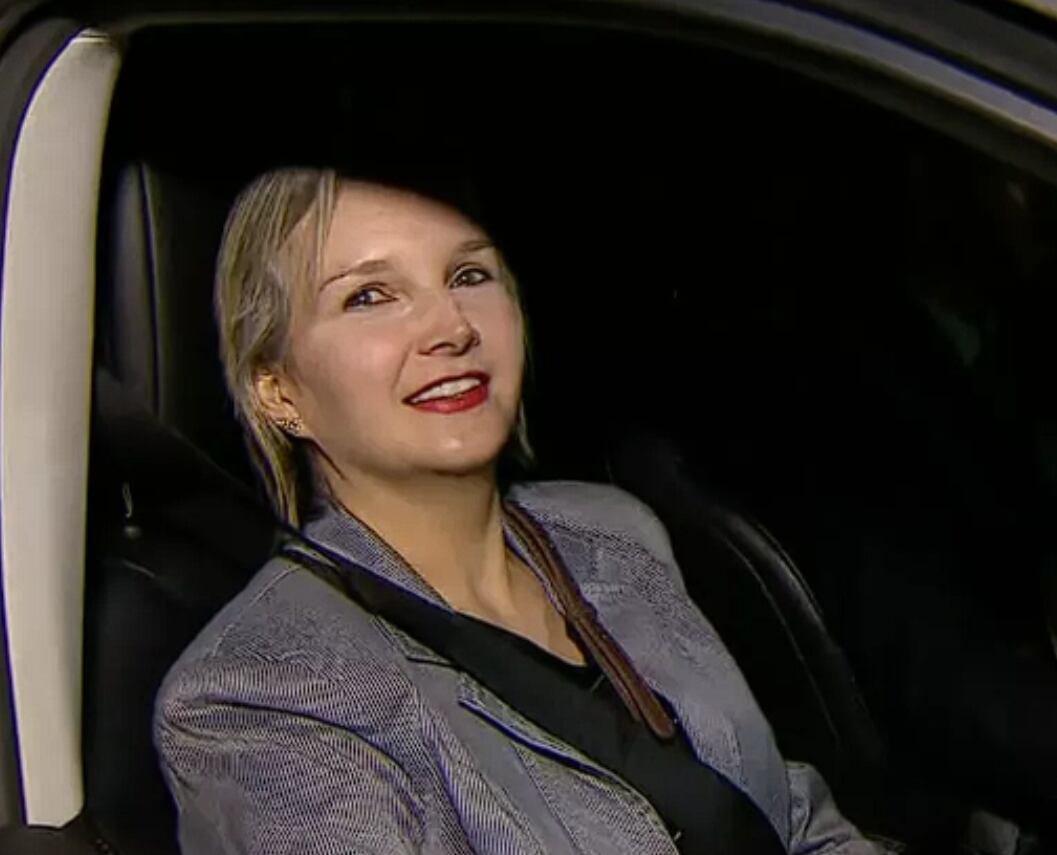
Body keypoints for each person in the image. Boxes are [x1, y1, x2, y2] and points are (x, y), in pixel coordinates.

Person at [153, 167, 881, 854]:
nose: (451, 327)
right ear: (277, 390)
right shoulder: (258, 695)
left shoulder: (612, 531)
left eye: (469, 275)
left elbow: (785, 817)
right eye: (369, 296)